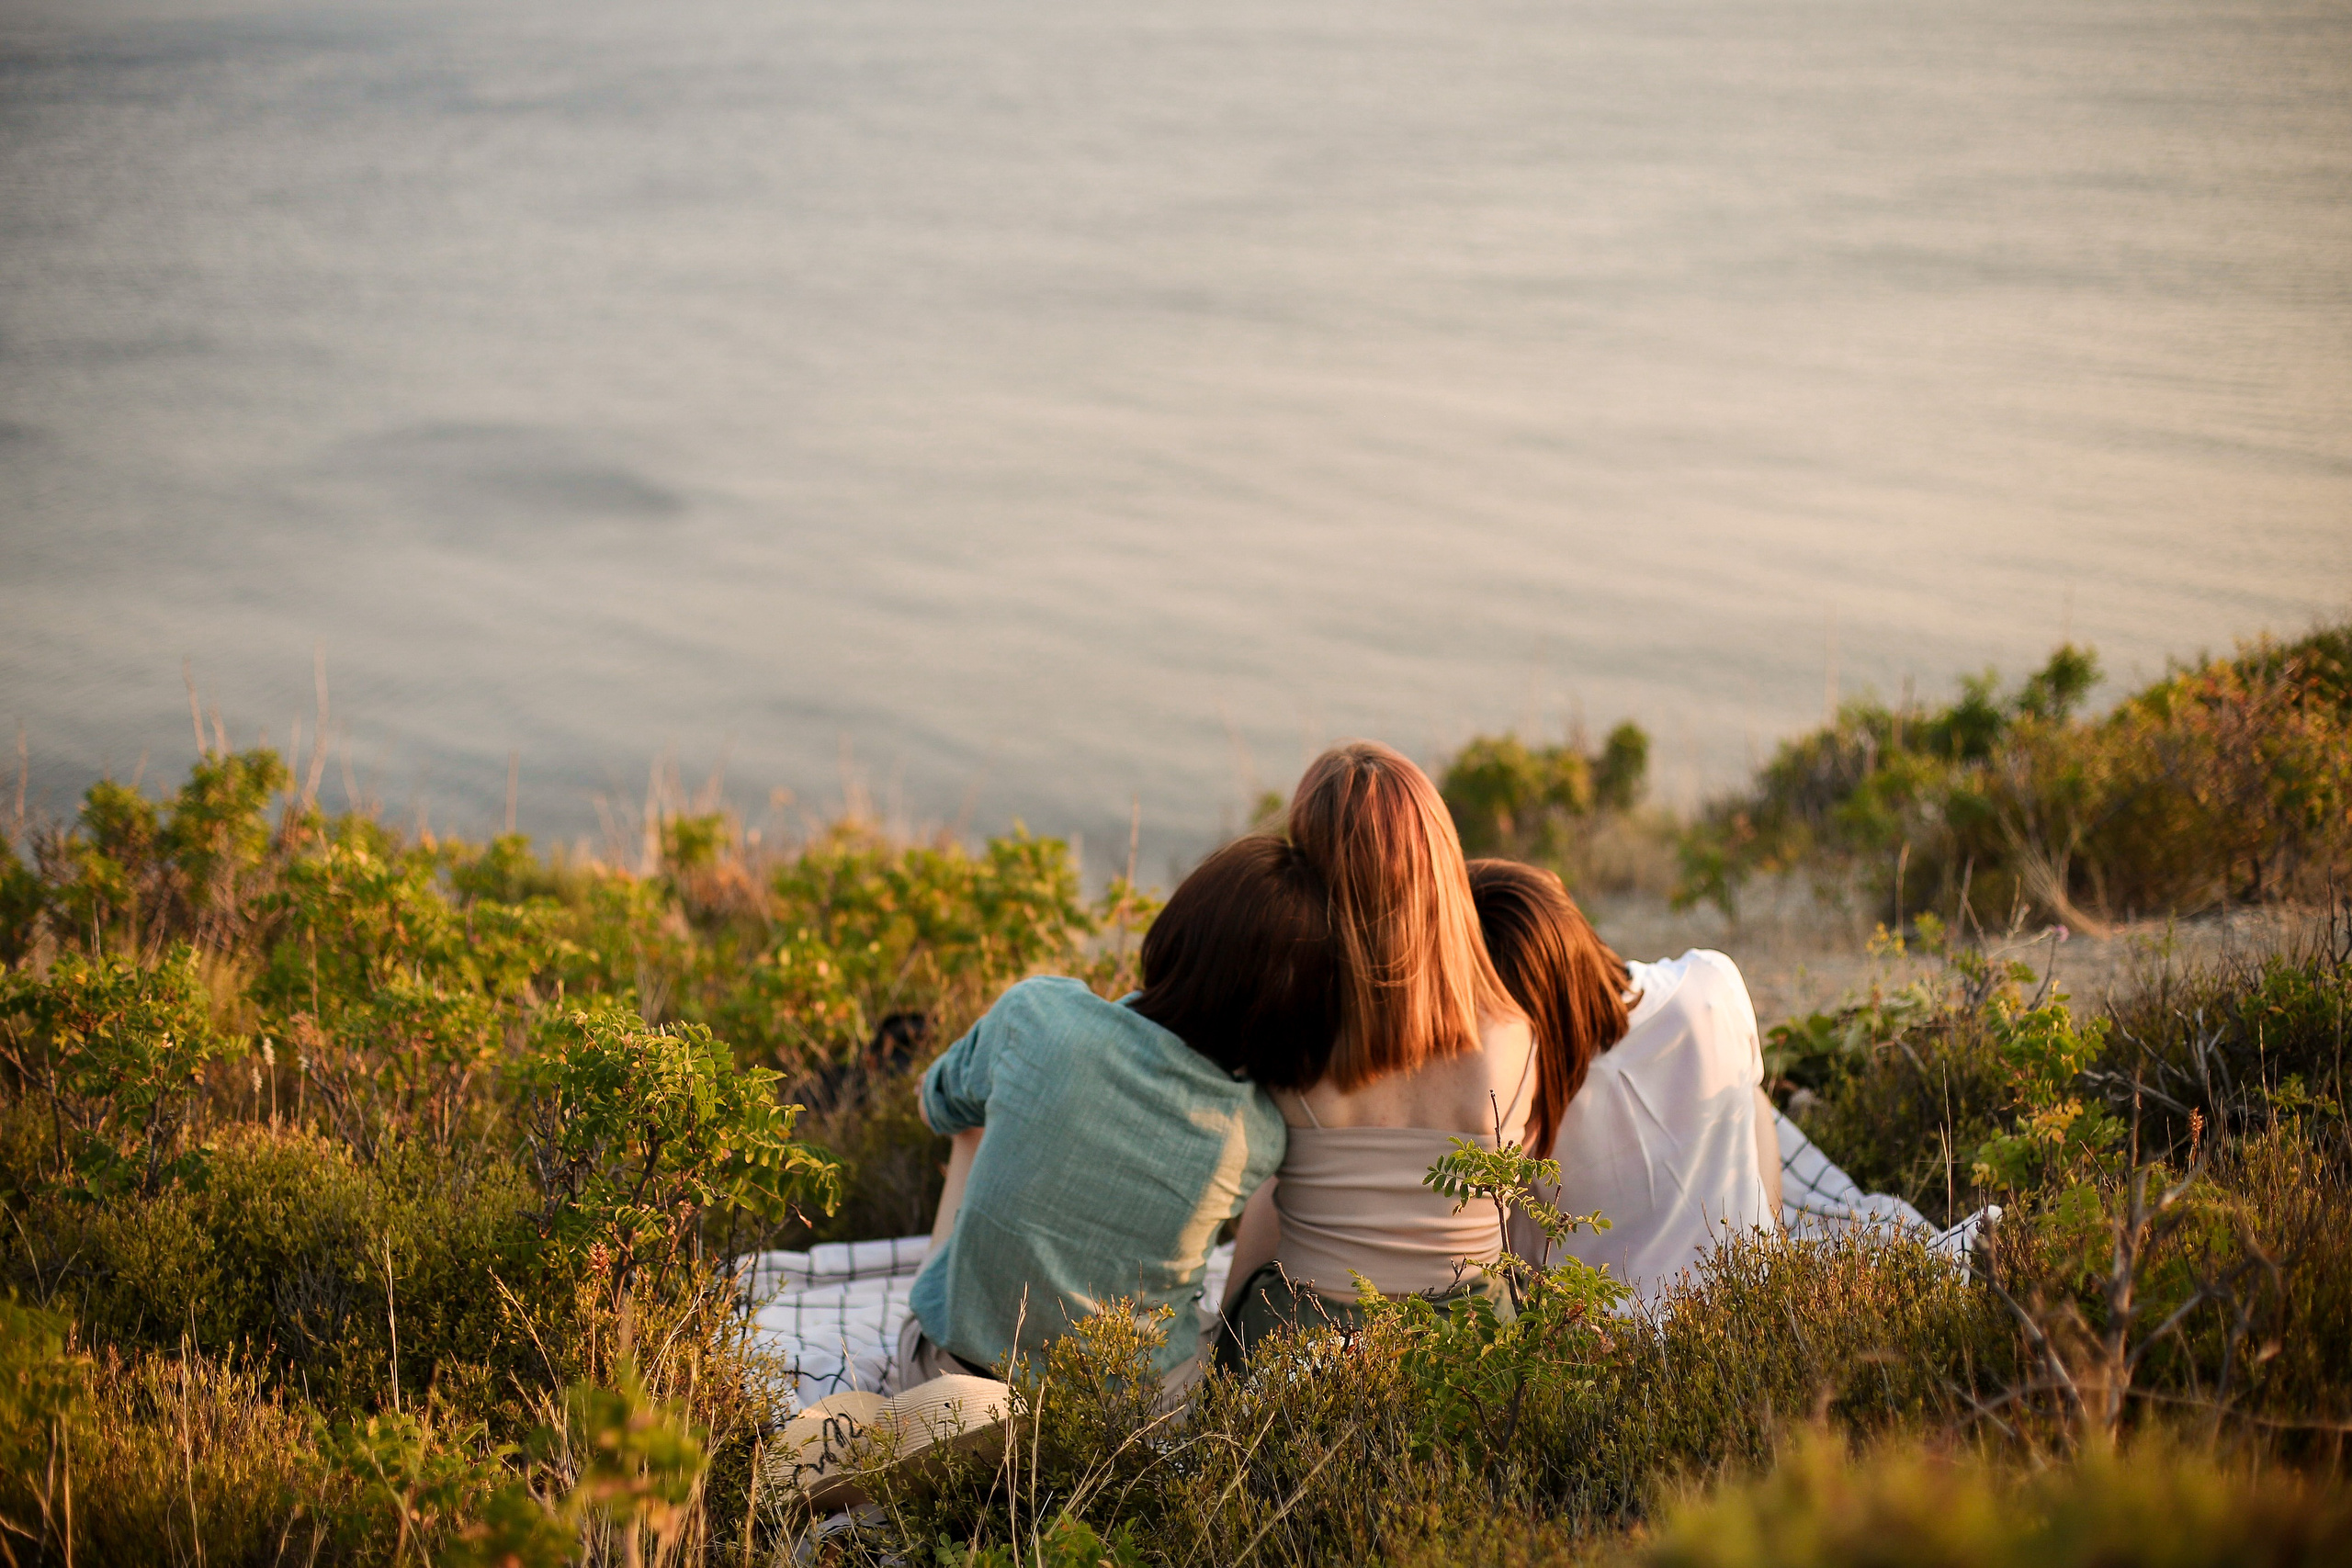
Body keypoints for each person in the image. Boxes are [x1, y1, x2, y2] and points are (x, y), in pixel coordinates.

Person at [904, 833, 1338, 1396]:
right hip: (1123, 1426)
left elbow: (932, 1104)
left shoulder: (1039, 1014)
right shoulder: (1254, 1132)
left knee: (971, 1121)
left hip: (946, 1380)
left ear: (1180, 928)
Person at [1220, 740, 1533, 1353]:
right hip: (1473, 1348)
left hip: (1309, 1340)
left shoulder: (1290, 1033)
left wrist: (1222, 1335)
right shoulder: (1513, 1030)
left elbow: (1268, 1202)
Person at [1467, 859, 1781, 1304]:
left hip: (1595, 1342)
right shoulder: (1713, 981)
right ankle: (1772, 1248)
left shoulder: (1515, 1094)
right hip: (1745, 1295)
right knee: (1756, 1101)